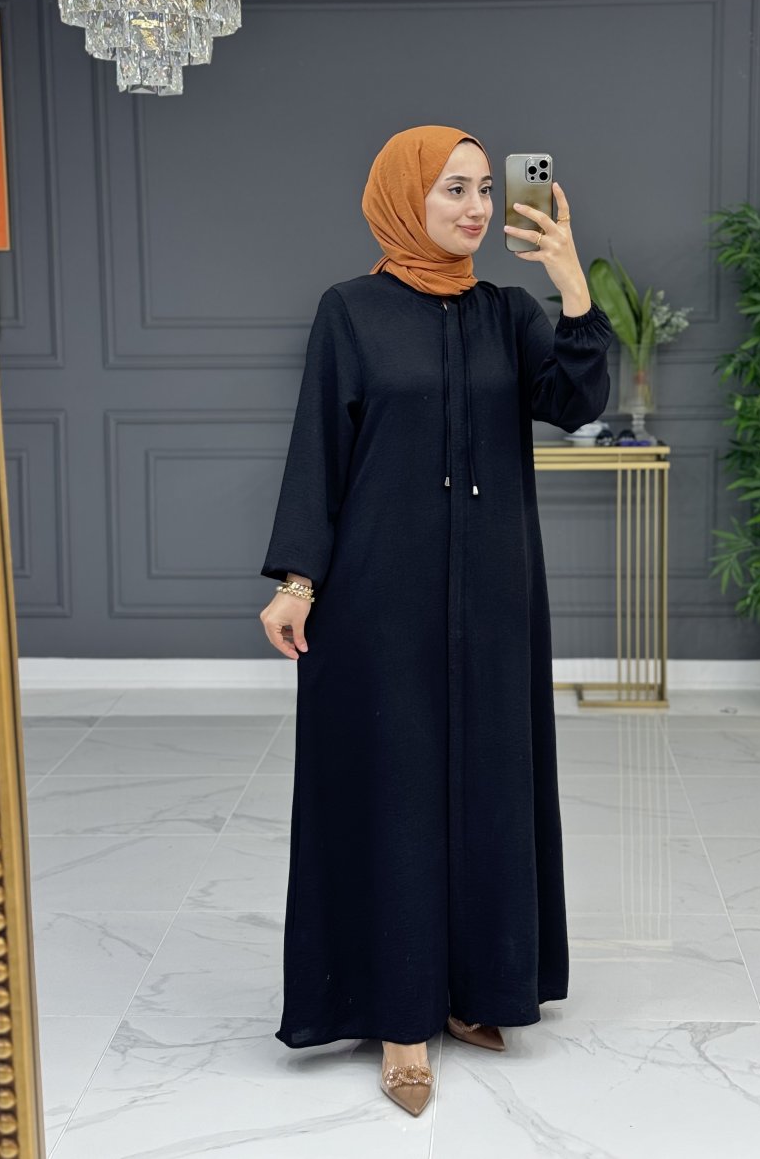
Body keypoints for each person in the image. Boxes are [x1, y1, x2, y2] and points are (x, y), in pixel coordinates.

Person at [258, 125, 612, 1115]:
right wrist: (298, 580)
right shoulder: (352, 311)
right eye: (453, 188)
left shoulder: (507, 314)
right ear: (403, 195)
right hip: (380, 597)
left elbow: (577, 399)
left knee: (489, 785)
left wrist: (569, 282)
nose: (476, 207)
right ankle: (400, 1016)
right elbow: (319, 449)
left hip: (493, 596)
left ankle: (475, 987)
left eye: (484, 189)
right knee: (396, 793)